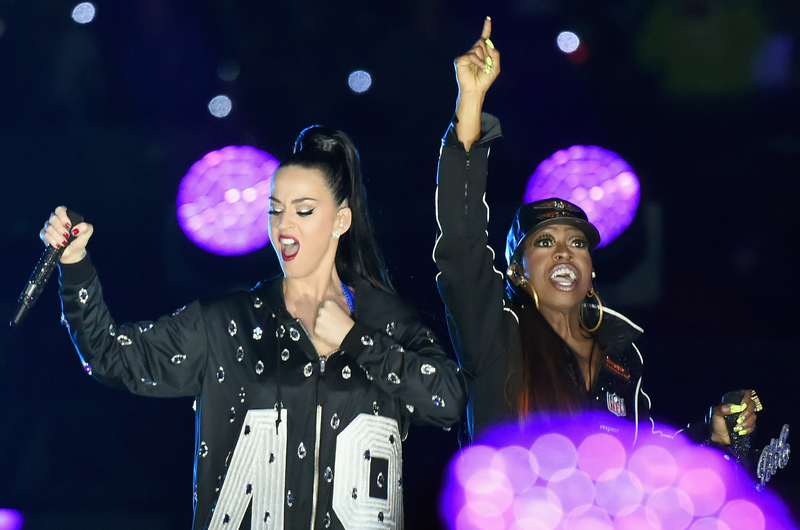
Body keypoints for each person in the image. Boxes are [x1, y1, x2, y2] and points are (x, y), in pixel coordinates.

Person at [43, 126, 467, 529]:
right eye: (275, 210)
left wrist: (356, 340)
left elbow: (451, 401)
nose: (285, 225)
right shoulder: (227, 321)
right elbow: (110, 357)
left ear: (340, 221)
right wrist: (75, 265)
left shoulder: (385, 321)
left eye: (303, 210)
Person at [433, 18, 759, 452]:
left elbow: (640, 472)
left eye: (578, 243)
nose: (565, 253)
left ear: (591, 270)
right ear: (516, 270)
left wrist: (710, 435)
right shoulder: (495, 337)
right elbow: (461, 241)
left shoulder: (621, 358)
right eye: (545, 243)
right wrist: (470, 103)